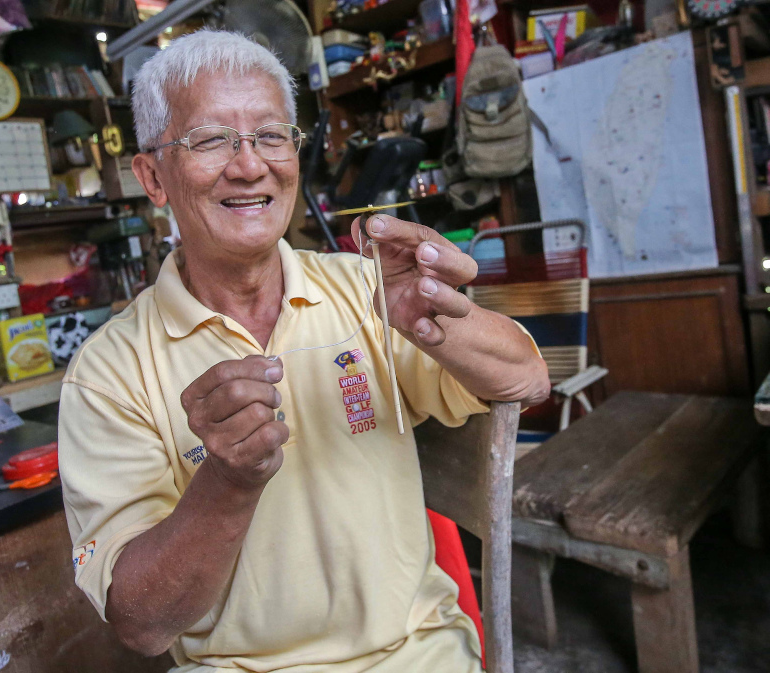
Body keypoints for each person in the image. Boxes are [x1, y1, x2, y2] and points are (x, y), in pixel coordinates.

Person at [59, 30, 550, 672]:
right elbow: (143, 625)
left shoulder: (364, 287)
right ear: (153, 175)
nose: (249, 166)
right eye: (211, 140)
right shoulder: (108, 372)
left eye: (270, 136)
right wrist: (228, 481)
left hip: (419, 657)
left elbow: (529, 379)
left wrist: (439, 322)